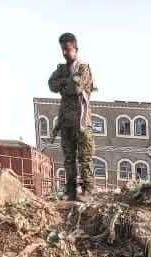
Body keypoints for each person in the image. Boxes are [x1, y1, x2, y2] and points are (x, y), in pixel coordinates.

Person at [48, 32, 95, 201]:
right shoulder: (61, 69)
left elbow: (75, 88)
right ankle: (71, 191)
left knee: (85, 157)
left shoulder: (83, 68)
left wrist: (63, 84)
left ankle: (88, 190)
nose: (65, 53)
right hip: (65, 121)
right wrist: (66, 82)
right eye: (62, 50)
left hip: (82, 121)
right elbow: (51, 85)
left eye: (68, 49)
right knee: (68, 158)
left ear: (75, 49)